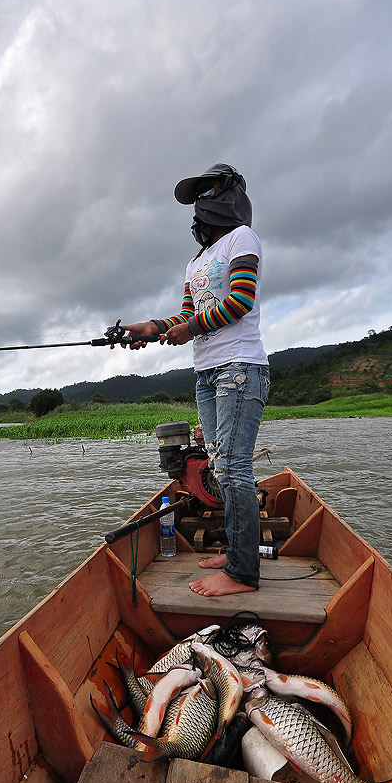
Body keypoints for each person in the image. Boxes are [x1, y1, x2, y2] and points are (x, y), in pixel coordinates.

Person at [122, 163, 270, 597]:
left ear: (225, 194)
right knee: (221, 466)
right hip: (207, 372)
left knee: (232, 466)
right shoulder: (196, 262)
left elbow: (241, 300)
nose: (198, 207)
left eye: (206, 193)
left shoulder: (242, 239)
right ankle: (238, 549)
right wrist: (151, 326)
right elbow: (187, 316)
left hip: (239, 366)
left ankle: (243, 573)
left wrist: (191, 329)